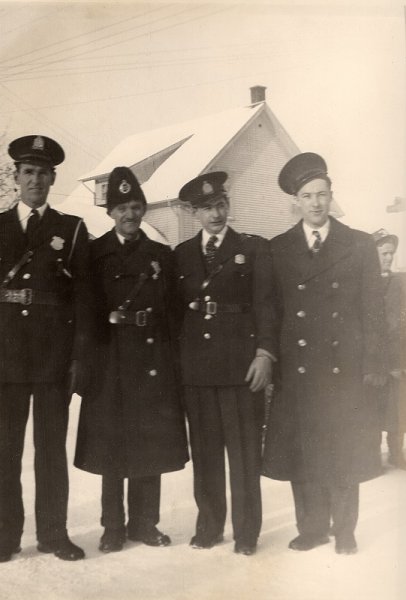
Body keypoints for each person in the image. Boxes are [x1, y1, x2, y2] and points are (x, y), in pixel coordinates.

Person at [0, 135, 90, 563]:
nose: (36, 180)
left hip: (53, 356)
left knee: (51, 450)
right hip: (4, 353)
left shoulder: (70, 229)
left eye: (43, 173)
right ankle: (7, 534)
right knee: (7, 449)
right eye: (28, 172)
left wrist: (78, 357)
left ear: (53, 179)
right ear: (16, 178)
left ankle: (54, 532)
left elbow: (84, 298)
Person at [263, 152, 385, 555]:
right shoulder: (278, 248)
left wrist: (373, 364)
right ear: (295, 202)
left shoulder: (359, 243)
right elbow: (272, 311)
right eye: (307, 195)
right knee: (304, 450)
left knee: (343, 449)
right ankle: (312, 527)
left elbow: (372, 311)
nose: (316, 203)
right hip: (299, 371)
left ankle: (344, 529)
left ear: (331, 196)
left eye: (322, 194)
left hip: (344, 368)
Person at [74, 166, 188, 553]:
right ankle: (112, 526)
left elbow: (173, 313)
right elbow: (86, 313)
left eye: (136, 207)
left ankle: (146, 523)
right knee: (111, 447)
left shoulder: (161, 256)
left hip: (151, 359)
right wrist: (86, 364)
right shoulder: (93, 254)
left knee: (149, 445)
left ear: (144, 211)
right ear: (110, 213)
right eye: (122, 207)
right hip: (109, 360)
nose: (130, 215)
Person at [174, 171, 277, 556]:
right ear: (194, 213)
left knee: (245, 453)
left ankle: (247, 532)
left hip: (241, 369)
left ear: (228, 206)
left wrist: (265, 354)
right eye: (205, 209)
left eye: (220, 205)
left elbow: (267, 305)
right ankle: (209, 525)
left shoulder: (253, 248)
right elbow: (174, 315)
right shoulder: (181, 255)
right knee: (205, 453)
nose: (215, 214)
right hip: (198, 371)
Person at [372, 228, 406, 469]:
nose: (387, 258)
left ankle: (396, 452)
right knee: (373, 408)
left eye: (391, 254)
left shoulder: (400, 283)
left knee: (398, 408)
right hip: (374, 358)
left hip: (397, 356)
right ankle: (372, 455)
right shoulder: (364, 282)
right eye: (383, 253)